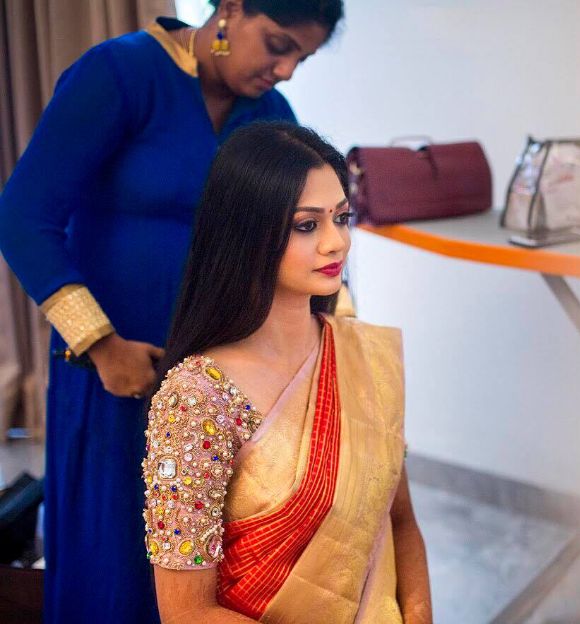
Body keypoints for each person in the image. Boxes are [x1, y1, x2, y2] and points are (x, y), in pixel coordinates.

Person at [0, 2, 344, 621]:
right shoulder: (120, 75)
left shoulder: (271, 116)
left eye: (302, 57)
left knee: (205, 566)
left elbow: (293, 241)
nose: (287, 70)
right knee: (115, 556)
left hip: (222, 386)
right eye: (277, 45)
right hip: (119, 372)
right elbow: (23, 217)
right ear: (231, 9)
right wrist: (101, 346)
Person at [142, 121, 433, 623]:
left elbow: (400, 520)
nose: (336, 243)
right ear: (247, 233)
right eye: (306, 225)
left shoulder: (361, 356)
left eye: (342, 218)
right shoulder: (197, 397)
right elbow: (187, 613)